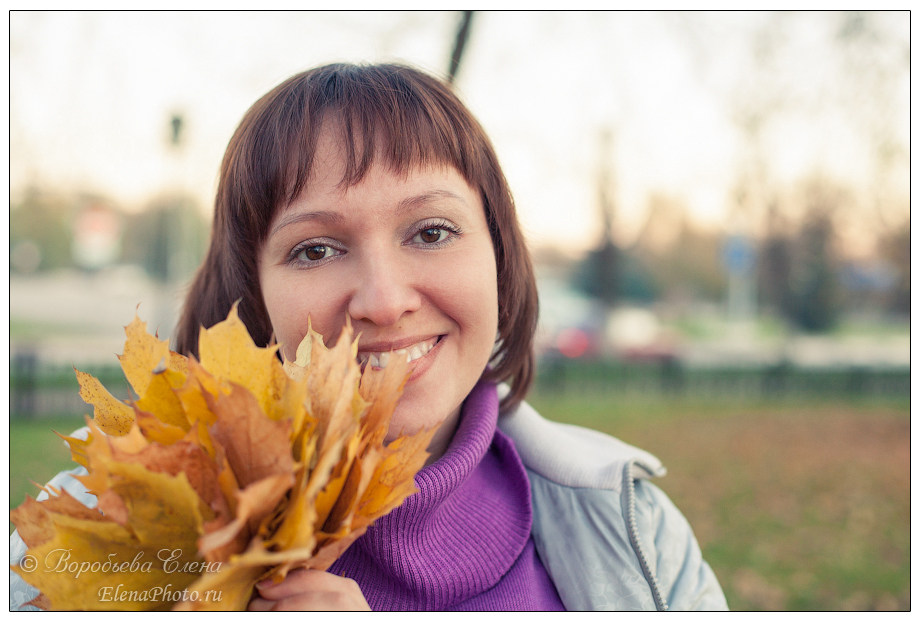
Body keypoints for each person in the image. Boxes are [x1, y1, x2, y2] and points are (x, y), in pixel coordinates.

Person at [10, 63, 727, 611]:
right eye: (315, 250)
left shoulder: (633, 527)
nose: (384, 302)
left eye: (431, 232)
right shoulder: (101, 527)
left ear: (501, 259)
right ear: (250, 297)